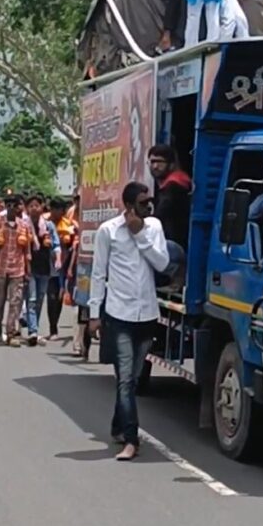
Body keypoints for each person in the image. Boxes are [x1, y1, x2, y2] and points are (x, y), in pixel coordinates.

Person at [88, 181, 169, 461]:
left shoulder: (154, 228)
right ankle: (132, 440)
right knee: (124, 379)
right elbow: (98, 274)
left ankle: (117, 425)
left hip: (146, 314)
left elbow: (162, 264)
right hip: (118, 314)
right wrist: (94, 315)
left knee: (132, 380)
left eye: (150, 201)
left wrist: (140, 235)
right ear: (129, 205)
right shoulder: (108, 232)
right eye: (144, 202)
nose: (149, 206)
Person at [0, 195, 32, 346]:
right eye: (9, 205)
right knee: (0, 303)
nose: (12, 208)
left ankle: (11, 333)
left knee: (15, 302)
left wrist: (28, 270)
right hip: (0, 268)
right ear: (5, 207)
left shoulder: (23, 226)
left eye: (15, 205)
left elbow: (27, 251)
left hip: (17, 269)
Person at [24, 194, 61, 346]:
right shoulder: (24, 225)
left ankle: (34, 328)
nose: (34, 208)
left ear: (41, 208)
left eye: (36, 205)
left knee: (39, 299)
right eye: (31, 205)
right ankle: (33, 330)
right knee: (31, 299)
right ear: (27, 208)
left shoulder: (48, 226)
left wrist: (58, 259)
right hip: (29, 267)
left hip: (45, 267)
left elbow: (56, 245)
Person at [147, 145, 191, 249]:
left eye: (160, 162)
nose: (155, 166)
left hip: (175, 245)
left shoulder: (174, 185)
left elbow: (161, 214)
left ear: (171, 165)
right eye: (152, 162)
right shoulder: (176, 182)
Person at [47, 198, 77, 341]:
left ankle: (54, 328)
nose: (60, 213)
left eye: (62, 210)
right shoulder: (44, 222)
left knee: (57, 298)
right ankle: (52, 328)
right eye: (57, 210)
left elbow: (75, 241)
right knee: (50, 298)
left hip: (62, 266)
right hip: (45, 265)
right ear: (51, 209)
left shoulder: (69, 224)